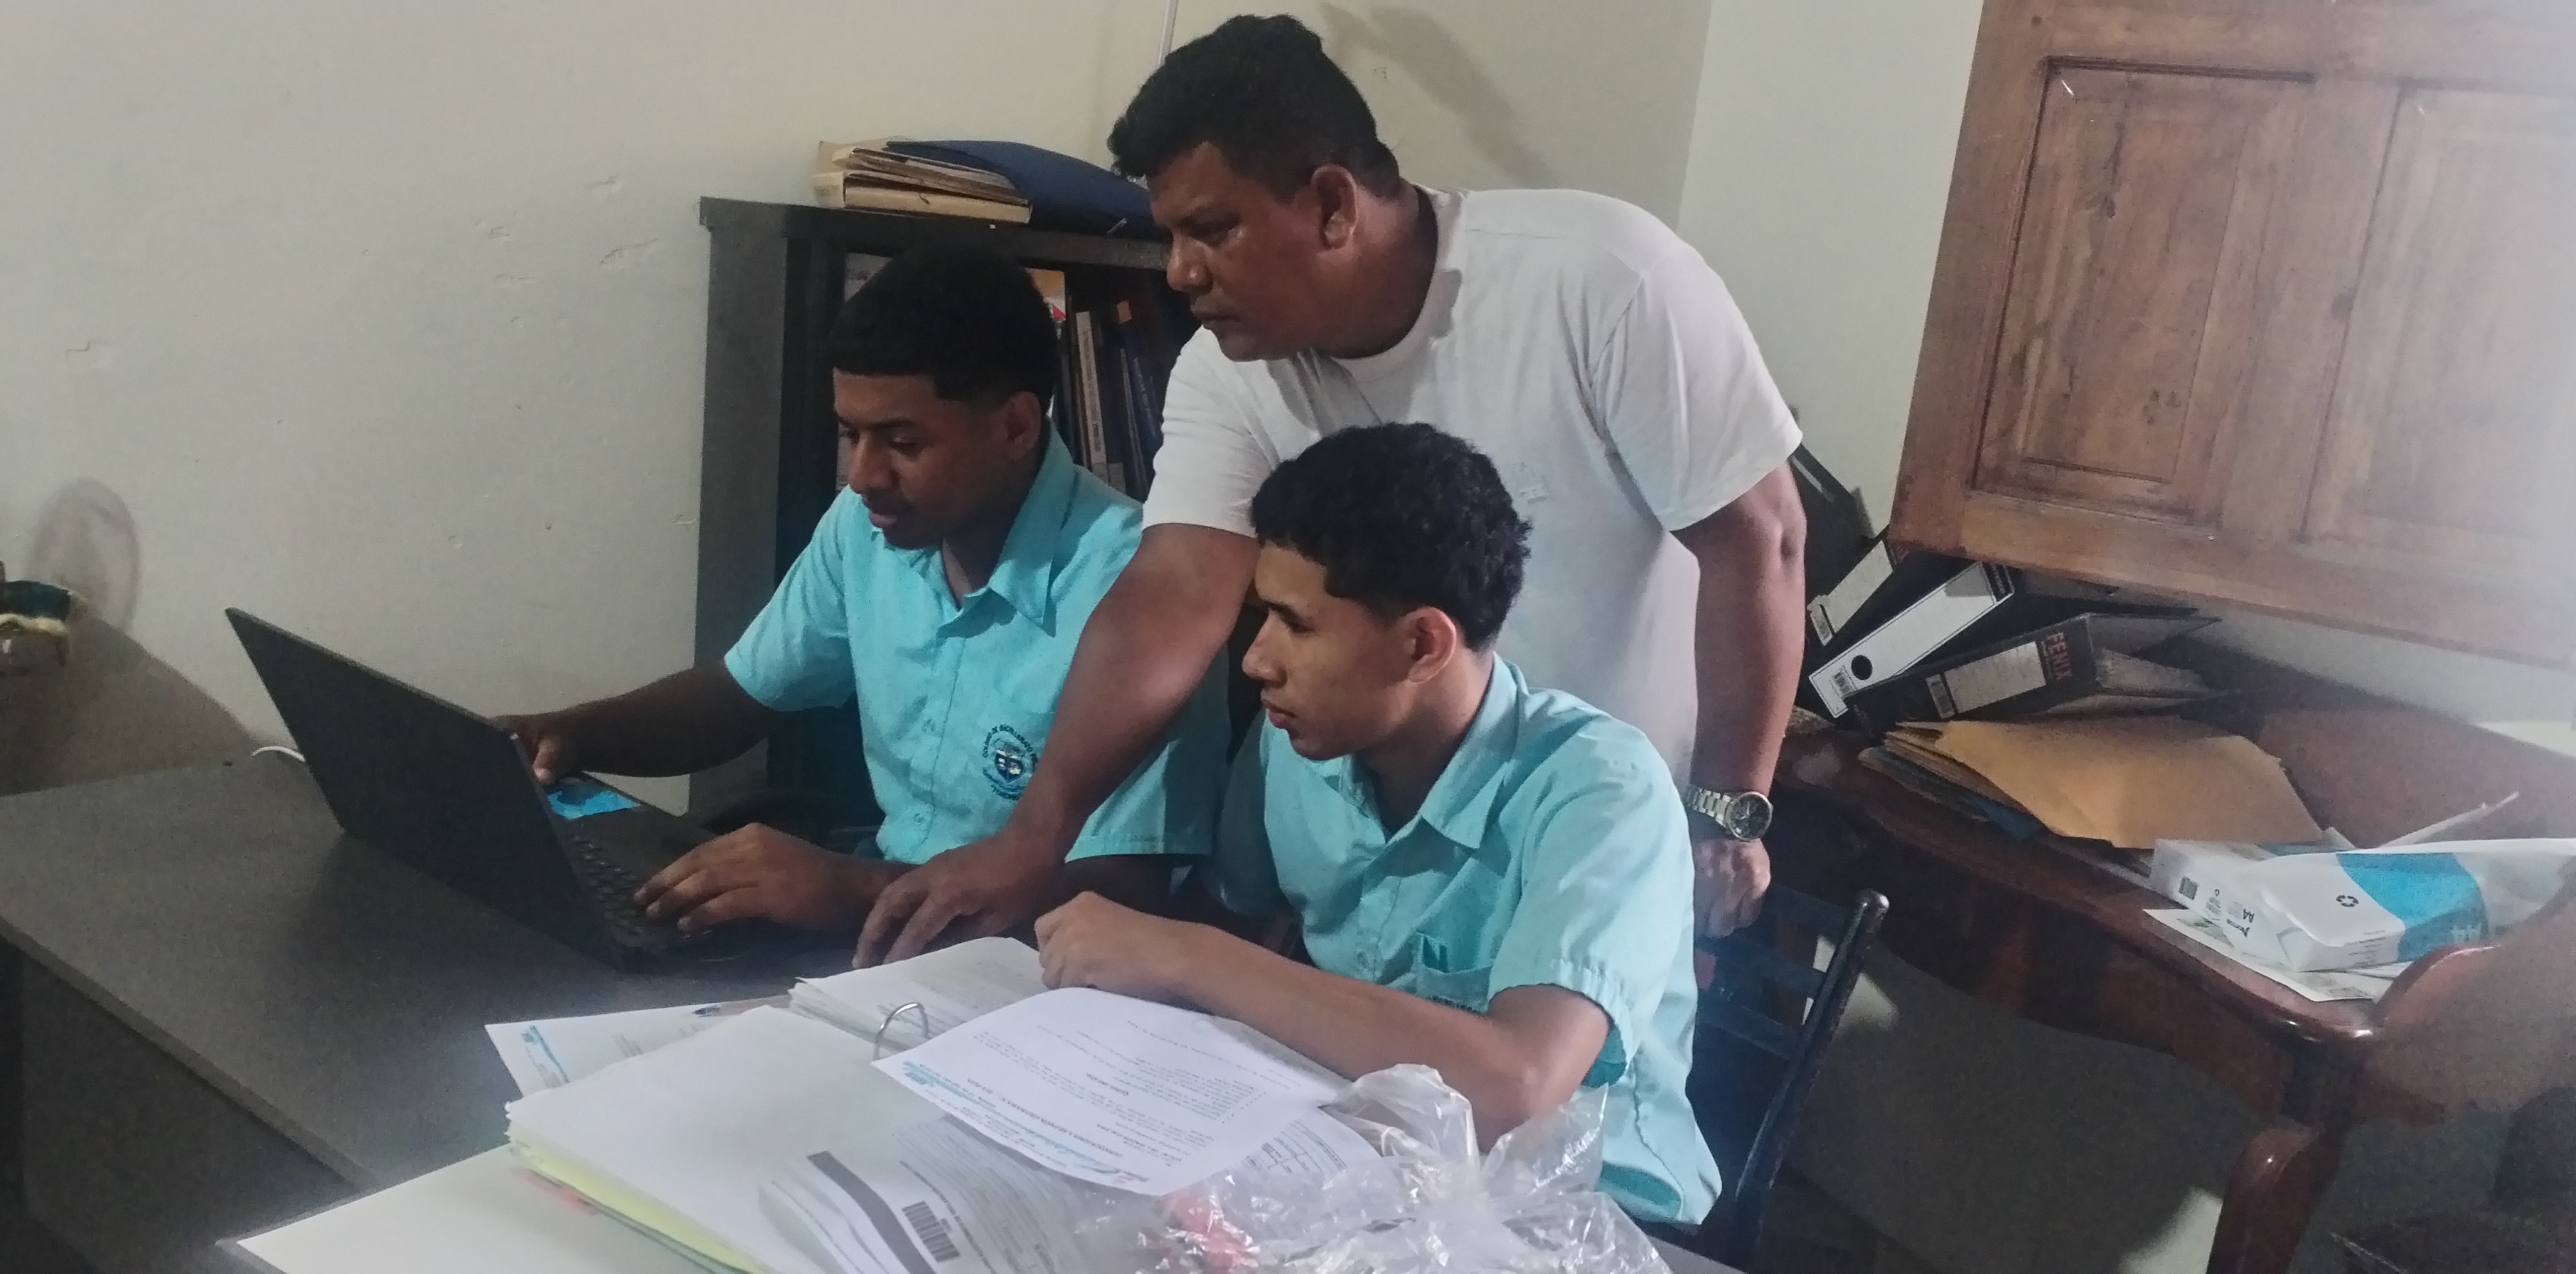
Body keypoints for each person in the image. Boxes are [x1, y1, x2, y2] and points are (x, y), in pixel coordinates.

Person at [862, 14, 1807, 963]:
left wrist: (1722, 816)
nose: (1180, 271)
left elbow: (1761, 542)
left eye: (1212, 230)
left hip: (1603, 847)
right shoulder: (1228, 370)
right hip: (1394, 862)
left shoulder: (1603, 279)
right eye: (1171, 235)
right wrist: (1036, 836)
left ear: (1331, 205)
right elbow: (1174, 593)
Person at [1034, 423, 1720, 1224]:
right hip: (1374, 1168)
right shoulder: (1299, 741)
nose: (1256, 659)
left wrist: (1187, 955)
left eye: (1297, 624)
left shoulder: (1601, 792)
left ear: (1423, 644)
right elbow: (1233, 918)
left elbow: (1516, 1087)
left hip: (1587, 1214)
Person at [501, 246, 1224, 938]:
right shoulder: (869, 526)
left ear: (1015, 426)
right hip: (884, 934)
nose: (864, 475)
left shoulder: (1142, 589)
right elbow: (741, 693)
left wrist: (849, 889)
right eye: (852, 434)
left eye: (903, 443)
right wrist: (566, 735)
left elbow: (1127, 889)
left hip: (1031, 973)